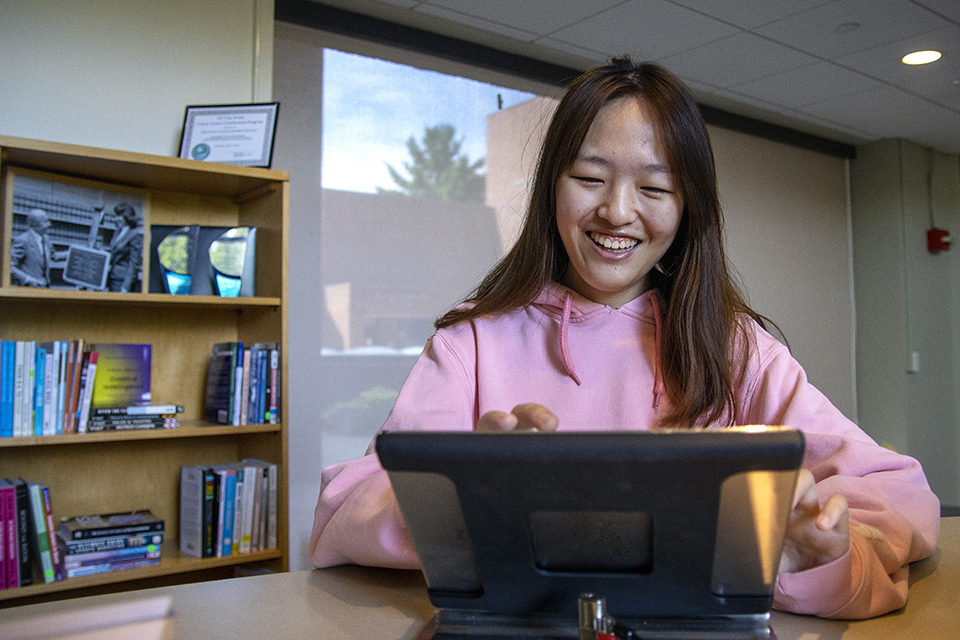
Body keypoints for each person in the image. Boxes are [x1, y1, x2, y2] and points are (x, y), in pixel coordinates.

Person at [309, 58, 940, 619]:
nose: (617, 210)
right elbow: (350, 503)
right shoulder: (473, 342)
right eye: (589, 177)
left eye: (655, 187)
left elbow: (896, 489)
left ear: (689, 208)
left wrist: (817, 554)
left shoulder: (733, 347)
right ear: (549, 186)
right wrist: (468, 500)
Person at [10, 208, 56, 287]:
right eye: (45, 222)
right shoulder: (22, 240)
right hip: (28, 290)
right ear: (35, 224)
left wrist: (75, 252)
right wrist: (29, 280)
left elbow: (54, 256)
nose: (49, 224)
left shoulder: (46, 238)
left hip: (45, 287)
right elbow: (10, 267)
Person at [106, 202, 143, 292]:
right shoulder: (117, 231)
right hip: (112, 276)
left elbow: (133, 264)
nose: (116, 219)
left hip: (122, 280)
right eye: (115, 216)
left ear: (127, 217)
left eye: (119, 216)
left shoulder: (135, 235)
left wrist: (126, 286)